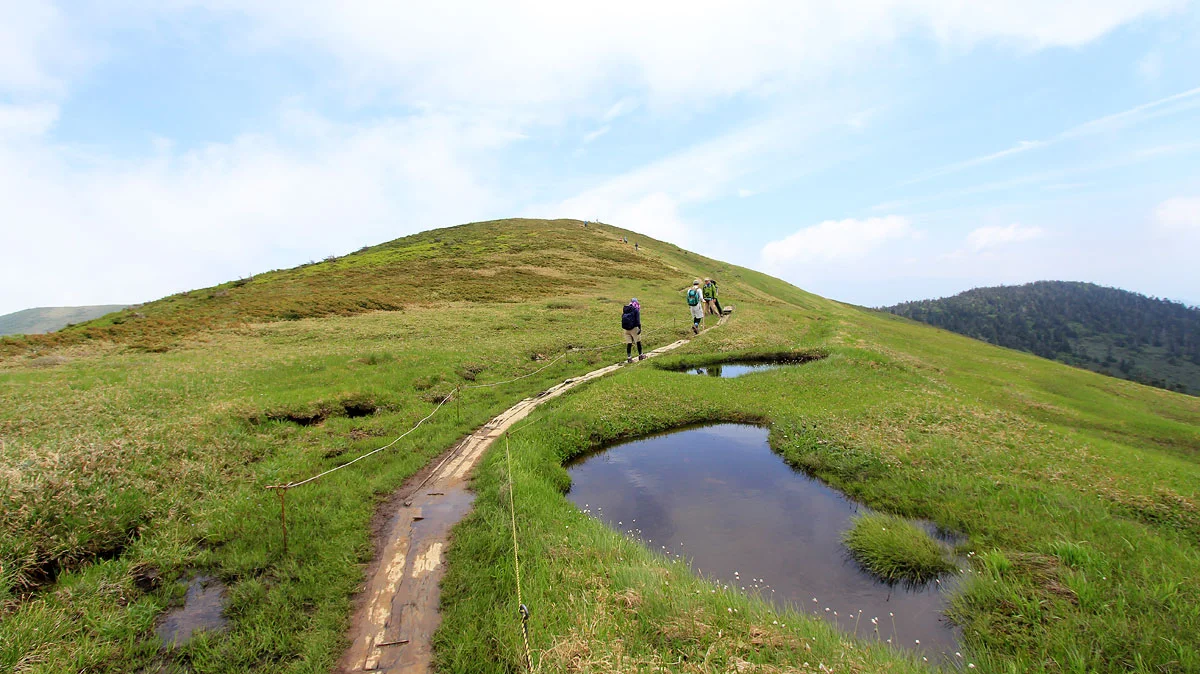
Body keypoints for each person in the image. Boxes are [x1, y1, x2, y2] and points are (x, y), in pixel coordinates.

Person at [622, 298, 644, 362]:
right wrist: (639, 328)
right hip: (634, 328)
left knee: (629, 343)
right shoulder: (636, 310)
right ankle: (640, 355)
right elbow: (638, 321)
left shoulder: (625, 309)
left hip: (626, 329)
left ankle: (629, 358)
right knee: (638, 342)